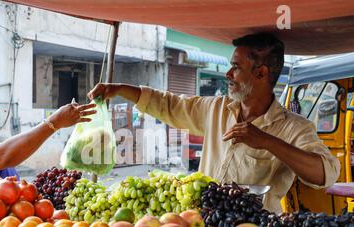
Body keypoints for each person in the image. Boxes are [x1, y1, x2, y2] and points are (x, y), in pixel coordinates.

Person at [88, 33, 341, 213]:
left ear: (261, 73)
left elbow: (325, 174)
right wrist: (120, 88)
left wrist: (266, 142)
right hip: (205, 225)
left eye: (235, 67)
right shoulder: (217, 109)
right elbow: (170, 105)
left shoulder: (293, 127)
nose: (227, 74)